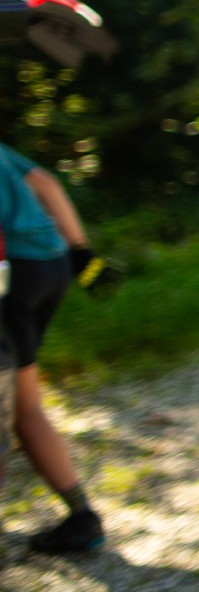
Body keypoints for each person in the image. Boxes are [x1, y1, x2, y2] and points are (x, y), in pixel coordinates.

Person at [0, 140, 107, 554]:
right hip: (51, 264)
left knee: (16, 404)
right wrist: (81, 252)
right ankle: (82, 517)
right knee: (26, 405)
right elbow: (47, 184)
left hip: (12, 273)